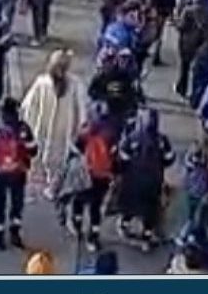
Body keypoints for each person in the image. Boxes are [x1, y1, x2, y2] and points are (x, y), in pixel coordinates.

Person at [21, 50, 88, 196]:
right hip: (64, 130)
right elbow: (82, 108)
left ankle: (37, 185)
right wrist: (81, 125)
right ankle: (52, 185)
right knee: (59, 159)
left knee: (41, 155)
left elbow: (28, 105)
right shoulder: (76, 85)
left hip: (42, 127)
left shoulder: (42, 82)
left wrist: (26, 123)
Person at [0, 98, 39, 249]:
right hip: (18, 173)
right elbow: (33, 150)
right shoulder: (23, 129)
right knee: (16, 203)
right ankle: (15, 232)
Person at [116, 108, 175, 251]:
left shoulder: (133, 137)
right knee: (150, 210)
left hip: (133, 180)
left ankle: (125, 224)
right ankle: (146, 236)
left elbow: (123, 156)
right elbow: (169, 158)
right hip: (153, 182)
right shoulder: (162, 140)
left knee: (129, 205)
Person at [71, 107, 115, 251]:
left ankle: (76, 225)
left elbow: (74, 152)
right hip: (102, 176)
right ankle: (93, 237)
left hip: (85, 174)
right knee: (96, 207)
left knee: (79, 200)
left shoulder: (85, 133)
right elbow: (116, 157)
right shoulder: (110, 135)